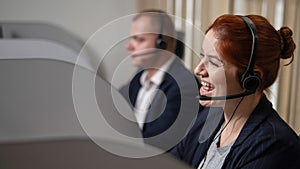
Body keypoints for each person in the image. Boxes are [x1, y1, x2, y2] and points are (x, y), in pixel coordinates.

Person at [170, 14, 300, 168]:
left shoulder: (274, 146)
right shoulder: (205, 121)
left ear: (250, 78)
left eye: (213, 62)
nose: (198, 70)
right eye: (202, 56)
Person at [119, 9, 201, 150]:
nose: (129, 46)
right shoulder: (141, 74)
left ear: (161, 43)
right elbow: (115, 101)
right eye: (131, 38)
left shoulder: (185, 86)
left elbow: (159, 145)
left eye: (139, 39)